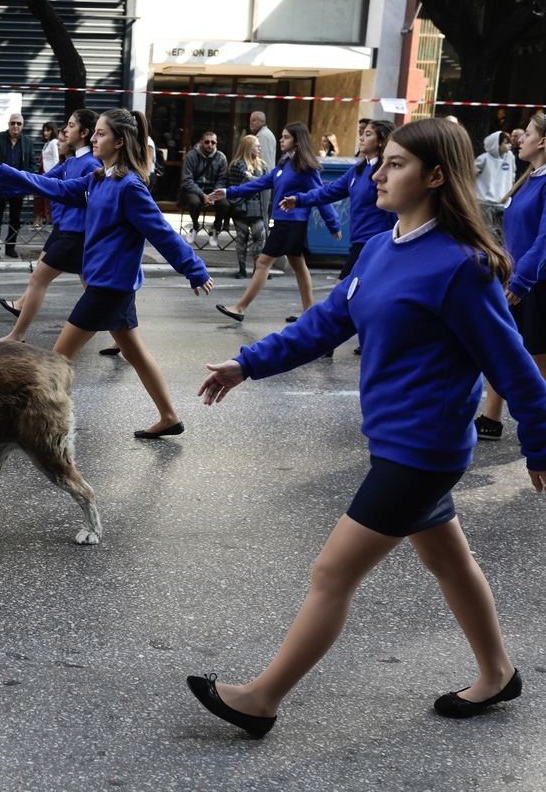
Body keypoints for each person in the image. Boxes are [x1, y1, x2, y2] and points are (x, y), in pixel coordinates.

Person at [189, 117, 546, 738]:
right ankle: (497, 672)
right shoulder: (382, 248)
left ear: (436, 177)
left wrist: (541, 448)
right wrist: (246, 364)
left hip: (423, 450)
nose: (378, 173)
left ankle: (261, 699)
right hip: (395, 440)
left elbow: (517, 371)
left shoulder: (463, 268)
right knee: (449, 562)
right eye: (384, 163)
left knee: (332, 572)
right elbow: (323, 325)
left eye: (397, 164)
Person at [0, 109, 213, 439]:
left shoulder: (130, 187)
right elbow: (52, 186)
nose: (93, 138)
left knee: (58, 360)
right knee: (134, 353)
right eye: (94, 133)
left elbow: (162, 232)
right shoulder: (98, 180)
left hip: (108, 288)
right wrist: (3, 174)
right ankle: (169, 416)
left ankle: (27, 427)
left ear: (119, 141)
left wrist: (194, 269)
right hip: (111, 284)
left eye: (100, 134)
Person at [209, 122, 342, 323]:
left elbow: (320, 195)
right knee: (298, 263)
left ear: (297, 142)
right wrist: (228, 192)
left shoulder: (304, 167)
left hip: (292, 223)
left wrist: (333, 223)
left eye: (286, 137)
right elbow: (259, 184)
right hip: (284, 222)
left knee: (263, 262)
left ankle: (240, 307)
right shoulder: (284, 164)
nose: (281, 140)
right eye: (282, 136)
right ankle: (308, 311)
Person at [0, 109, 101, 344]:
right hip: (68, 232)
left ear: (84, 132)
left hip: (75, 235)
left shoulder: (90, 164)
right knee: (95, 290)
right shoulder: (73, 161)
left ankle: (17, 335)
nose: (65, 130)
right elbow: (40, 183)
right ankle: (120, 336)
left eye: (71, 125)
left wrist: (2, 180)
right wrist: (3, 187)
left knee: (38, 280)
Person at [474, 113, 546, 440]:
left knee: (536, 358)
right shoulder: (530, 178)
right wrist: (501, 267)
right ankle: (491, 418)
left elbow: (543, 241)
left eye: (527, 133)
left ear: (542, 141)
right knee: (502, 347)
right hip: (517, 280)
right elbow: (515, 235)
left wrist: (520, 281)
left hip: (536, 285)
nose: (519, 138)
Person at [282, 119, 396, 283]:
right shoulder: (357, 170)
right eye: (362, 134)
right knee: (354, 296)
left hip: (375, 244)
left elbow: (394, 212)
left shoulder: (385, 174)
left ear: (381, 141)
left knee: (341, 290)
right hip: (358, 242)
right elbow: (330, 191)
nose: (361, 138)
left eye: (368, 134)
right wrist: (299, 199)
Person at [0, 113, 36, 258]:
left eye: (18, 124)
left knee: (15, 218)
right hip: (0, 185)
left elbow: (32, 163)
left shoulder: (27, 142)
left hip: (17, 187)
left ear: (22, 126)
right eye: (13, 123)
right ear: (8, 124)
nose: (15, 126)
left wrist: (25, 178)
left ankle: (10, 248)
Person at [226, 134, 268, 279]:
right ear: (248, 147)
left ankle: (258, 269)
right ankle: (242, 269)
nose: (259, 148)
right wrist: (251, 181)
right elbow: (235, 188)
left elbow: (267, 182)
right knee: (242, 238)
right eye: (256, 145)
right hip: (241, 208)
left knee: (260, 237)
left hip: (257, 208)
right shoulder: (237, 165)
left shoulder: (262, 164)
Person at [180, 131, 229, 248]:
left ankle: (215, 228)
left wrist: (213, 195)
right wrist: (203, 195)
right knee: (193, 202)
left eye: (213, 142)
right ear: (201, 142)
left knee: (225, 204)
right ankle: (195, 226)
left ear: (217, 143)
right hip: (195, 189)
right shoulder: (191, 156)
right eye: (207, 142)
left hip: (213, 190)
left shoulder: (221, 157)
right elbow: (187, 180)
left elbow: (222, 180)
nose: (210, 145)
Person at [475, 131, 516, 242]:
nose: (509, 146)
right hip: (485, 202)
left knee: (504, 231)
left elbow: (513, 174)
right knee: (486, 231)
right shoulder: (484, 158)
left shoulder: (510, 156)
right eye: (506, 143)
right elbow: (470, 174)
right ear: (496, 144)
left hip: (503, 201)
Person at [250, 111, 277, 225]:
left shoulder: (263, 136)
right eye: (250, 120)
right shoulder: (263, 134)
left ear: (263, 122)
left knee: (262, 212)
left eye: (254, 120)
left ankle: (263, 238)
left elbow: (262, 161)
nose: (251, 123)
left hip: (263, 179)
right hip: (265, 179)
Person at [32, 121, 59, 229]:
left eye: (48, 130)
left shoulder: (54, 142)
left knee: (50, 198)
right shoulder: (47, 143)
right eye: (44, 130)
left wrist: (53, 174)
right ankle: (40, 220)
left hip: (50, 173)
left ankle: (54, 222)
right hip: (44, 172)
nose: (45, 133)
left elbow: (56, 159)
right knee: (39, 196)